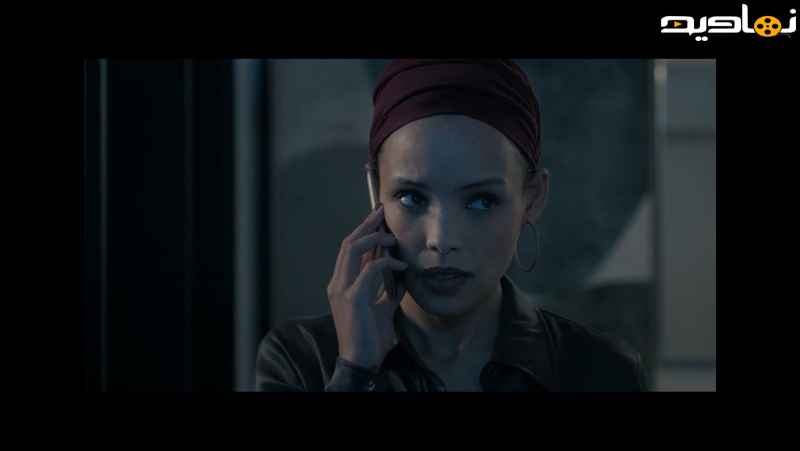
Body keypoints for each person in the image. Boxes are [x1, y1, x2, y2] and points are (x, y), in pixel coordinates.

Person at [255, 59, 647, 392]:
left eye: (480, 201)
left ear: (532, 198)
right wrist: (354, 372)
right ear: (375, 190)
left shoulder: (601, 371)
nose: (441, 239)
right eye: (412, 198)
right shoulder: (301, 361)